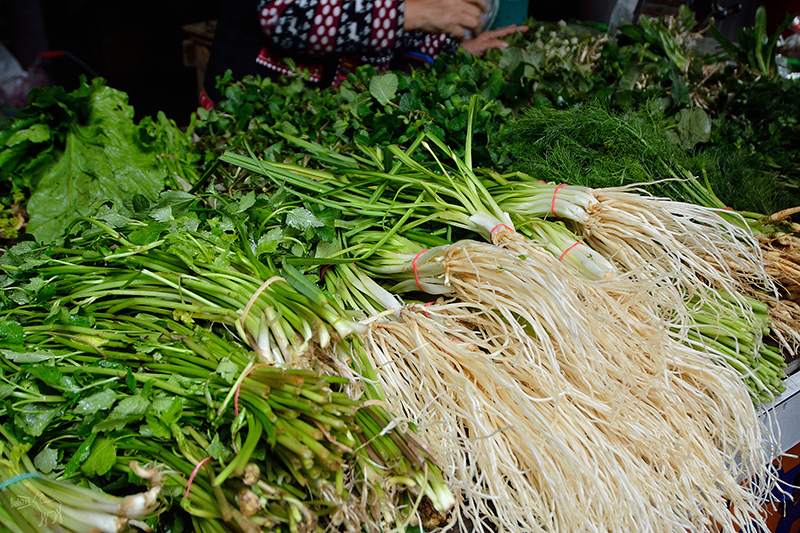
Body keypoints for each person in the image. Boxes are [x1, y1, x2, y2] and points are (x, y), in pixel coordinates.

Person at [200, 0, 526, 107]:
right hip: (254, 108)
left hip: (334, 118)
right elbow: (287, 17)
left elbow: (383, 24)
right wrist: (411, 13)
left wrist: (451, 48)